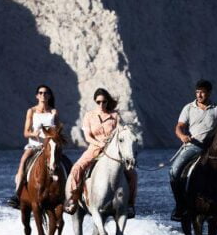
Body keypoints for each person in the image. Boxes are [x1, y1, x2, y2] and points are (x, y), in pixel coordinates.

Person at [168, 78, 217, 221]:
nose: (199, 95)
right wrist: (182, 136)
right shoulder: (188, 108)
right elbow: (179, 127)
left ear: (209, 93)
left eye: (202, 92)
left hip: (212, 149)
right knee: (174, 171)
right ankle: (180, 206)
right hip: (193, 146)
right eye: (197, 92)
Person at [63, 88, 137, 216]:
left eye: (104, 102)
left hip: (113, 150)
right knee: (76, 168)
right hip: (94, 148)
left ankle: (130, 204)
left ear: (107, 102)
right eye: (98, 102)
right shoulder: (89, 116)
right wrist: (99, 144)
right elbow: (87, 137)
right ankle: (73, 199)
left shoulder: (115, 116)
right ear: (95, 102)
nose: (101, 104)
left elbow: (121, 132)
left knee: (133, 174)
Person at [7, 84, 61, 208]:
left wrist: (55, 138)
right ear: (37, 96)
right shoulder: (31, 111)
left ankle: (68, 195)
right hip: (35, 146)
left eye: (46, 93)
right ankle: (17, 193)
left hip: (50, 146)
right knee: (23, 160)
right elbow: (25, 132)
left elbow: (58, 131)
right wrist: (33, 133)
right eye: (40, 93)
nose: (43, 95)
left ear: (49, 96)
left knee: (65, 163)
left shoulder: (54, 112)